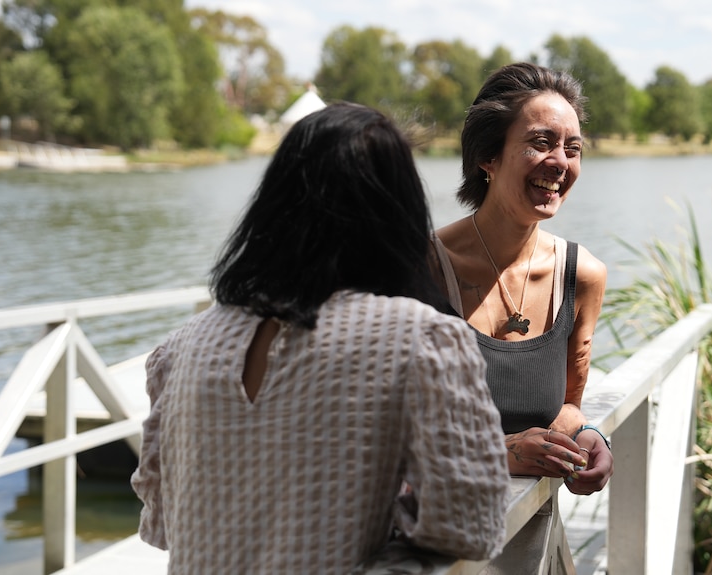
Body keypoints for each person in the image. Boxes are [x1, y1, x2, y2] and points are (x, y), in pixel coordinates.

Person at [130, 103, 511, 574]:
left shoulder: (181, 347)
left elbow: (161, 525)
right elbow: (471, 526)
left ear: (272, 203)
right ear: (398, 209)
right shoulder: (421, 340)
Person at [430, 62, 614, 495]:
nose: (560, 163)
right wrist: (500, 453)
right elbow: (382, 430)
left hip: (530, 542)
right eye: (541, 143)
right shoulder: (422, 269)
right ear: (486, 156)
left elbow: (566, 405)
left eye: (573, 148)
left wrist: (587, 437)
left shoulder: (581, 274)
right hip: (430, 545)